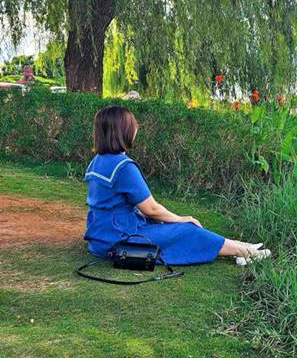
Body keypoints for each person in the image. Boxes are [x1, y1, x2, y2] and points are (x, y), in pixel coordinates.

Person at [83, 105, 270, 265]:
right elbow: (151, 209)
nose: (136, 130)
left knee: (165, 223)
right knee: (187, 229)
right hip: (119, 239)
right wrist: (182, 218)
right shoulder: (123, 167)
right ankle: (246, 252)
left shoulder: (97, 161)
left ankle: (240, 245)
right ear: (123, 131)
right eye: (133, 126)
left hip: (101, 238)